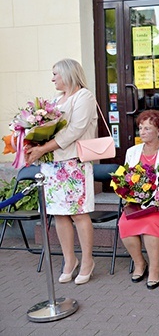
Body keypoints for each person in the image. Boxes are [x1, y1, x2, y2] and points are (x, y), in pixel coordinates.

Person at [24, 59, 98, 285]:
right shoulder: (55, 101)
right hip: (52, 165)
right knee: (59, 214)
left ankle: (87, 261)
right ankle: (69, 261)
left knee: (78, 213)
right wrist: (32, 144)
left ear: (68, 74)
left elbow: (75, 130)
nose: (52, 78)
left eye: (55, 73)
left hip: (73, 163)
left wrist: (42, 148)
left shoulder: (84, 96)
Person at [118, 110, 159, 290]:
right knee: (125, 225)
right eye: (140, 128)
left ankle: (155, 269)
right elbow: (125, 178)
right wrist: (130, 194)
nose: (142, 132)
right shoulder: (132, 151)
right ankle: (140, 264)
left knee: (151, 226)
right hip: (136, 204)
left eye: (147, 128)